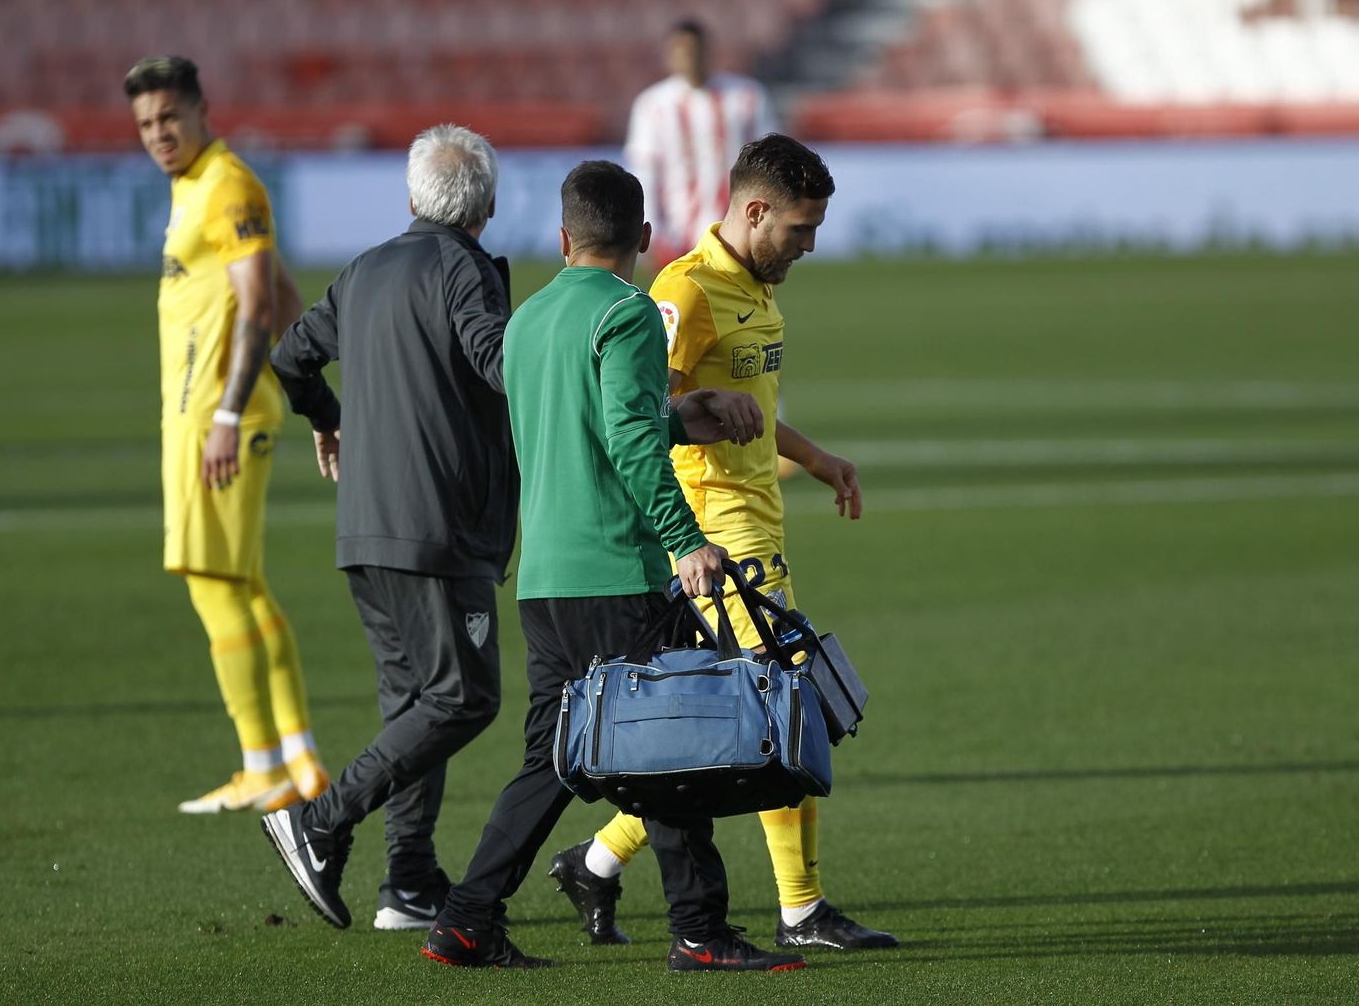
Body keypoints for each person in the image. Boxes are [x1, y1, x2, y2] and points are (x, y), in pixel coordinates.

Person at [422, 160, 802, 972]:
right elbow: (625, 441)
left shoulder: (525, 321)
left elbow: (584, 426)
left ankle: (464, 918)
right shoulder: (628, 313)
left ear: (563, 238)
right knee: (677, 741)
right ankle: (700, 929)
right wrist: (685, 535)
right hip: (617, 573)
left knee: (553, 758)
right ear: (643, 238)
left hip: (545, 580)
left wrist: (678, 416)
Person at [547, 135, 898, 952]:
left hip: (758, 518)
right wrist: (684, 537)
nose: (808, 246)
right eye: (799, 229)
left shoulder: (754, 288)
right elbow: (647, 409)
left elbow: (744, 408)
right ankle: (802, 909)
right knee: (786, 701)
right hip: (715, 533)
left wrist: (814, 457)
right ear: (753, 210)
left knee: (727, 720)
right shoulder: (685, 291)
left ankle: (595, 862)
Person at [260, 125, 516, 933]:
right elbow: (501, 363)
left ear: (410, 198)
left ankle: (408, 880)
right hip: (437, 523)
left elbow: (290, 359)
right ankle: (320, 820)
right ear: (492, 206)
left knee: (415, 702)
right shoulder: (464, 271)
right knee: (463, 698)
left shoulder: (365, 269)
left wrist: (328, 422)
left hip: (365, 528)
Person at [126, 55, 329, 815]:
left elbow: (255, 306)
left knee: (213, 588)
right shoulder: (195, 188)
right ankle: (300, 760)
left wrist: (225, 413)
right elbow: (280, 288)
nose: (158, 134)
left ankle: (259, 765)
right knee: (240, 585)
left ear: (201, 109)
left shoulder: (227, 183)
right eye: (145, 123)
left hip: (219, 417)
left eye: (168, 117)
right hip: (210, 414)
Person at [624, 19, 779, 267]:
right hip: (677, 236)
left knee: (738, 306)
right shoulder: (652, 105)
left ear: (708, 51)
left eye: (695, 50)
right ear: (668, 56)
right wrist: (648, 229)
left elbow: (771, 165)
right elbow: (645, 172)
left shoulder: (747, 97)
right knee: (680, 305)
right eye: (681, 51)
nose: (689, 58)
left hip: (736, 232)